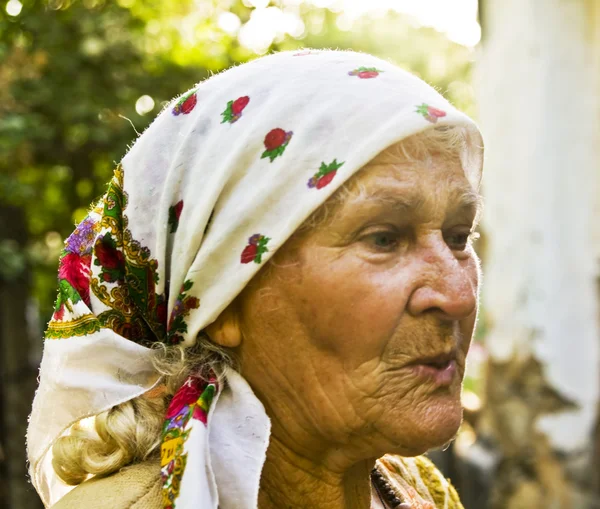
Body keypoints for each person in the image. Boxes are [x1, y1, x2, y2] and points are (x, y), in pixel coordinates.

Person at [27, 49, 484, 509]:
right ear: (221, 302)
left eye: (459, 236)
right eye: (384, 238)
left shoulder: (419, 489)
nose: (459, 295)